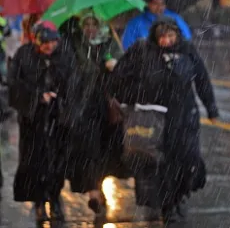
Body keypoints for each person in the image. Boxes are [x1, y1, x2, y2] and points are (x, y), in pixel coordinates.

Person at [112, 17, 219, 222]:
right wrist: (137, 97)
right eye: (163, 37)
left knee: (187, 159)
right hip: (156, 119)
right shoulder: (142, 52)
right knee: (161, 165)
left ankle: (180, 196)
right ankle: (167, 206)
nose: (167, 41)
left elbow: (202, 79)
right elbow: (119, 79)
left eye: (171, 36)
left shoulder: (187, 51)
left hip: (185, 117)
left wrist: (211, 108)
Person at [7, 21, 79, 222]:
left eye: (52, 42)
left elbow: (74, 82)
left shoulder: (65, 55)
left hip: (58, 118)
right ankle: (39, 201)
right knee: (35, 161)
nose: (49, 47)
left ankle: (55, 198)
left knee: (57, 161)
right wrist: (38, 95)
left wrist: (61, 98)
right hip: (34, 120)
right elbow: (15, 84)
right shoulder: (24, 55)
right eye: (45, 42)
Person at [63, 12, 126, 216]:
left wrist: (113, 65)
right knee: (88, 152)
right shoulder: (74, 44)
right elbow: (71, 70)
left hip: (106, 107)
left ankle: (100, 188)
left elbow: (122, 65)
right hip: (83, 106)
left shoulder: (109, 41)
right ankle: (94, 194)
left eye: (94, 24)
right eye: (87, 24)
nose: (90, 28)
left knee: (106, 152)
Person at [121, 0, 192, 49]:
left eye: (162, 4)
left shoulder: (175, 18)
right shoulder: (135, 23)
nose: (159, 7)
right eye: (155, 3)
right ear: (148, 4)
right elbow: (128, 46)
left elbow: (186, 38)